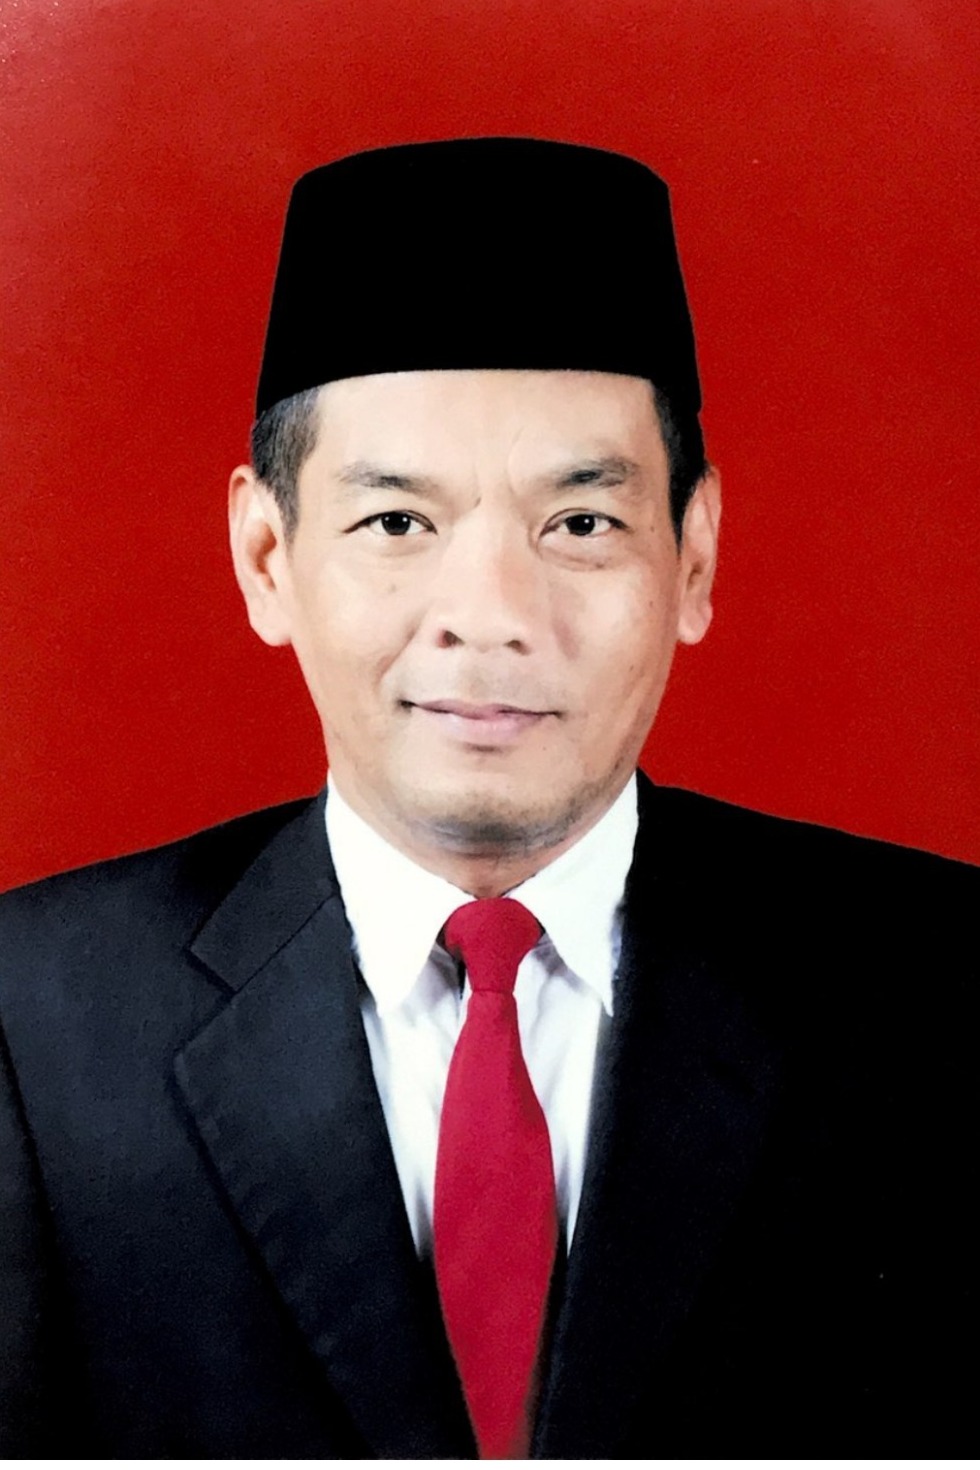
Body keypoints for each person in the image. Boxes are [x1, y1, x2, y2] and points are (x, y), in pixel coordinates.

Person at [0, 138, 975, 1458]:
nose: (492, 617)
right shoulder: (33, 1023)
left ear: (693, 557)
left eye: (580, 524)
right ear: (267, 556)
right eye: (397, 523)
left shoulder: (939, 989)